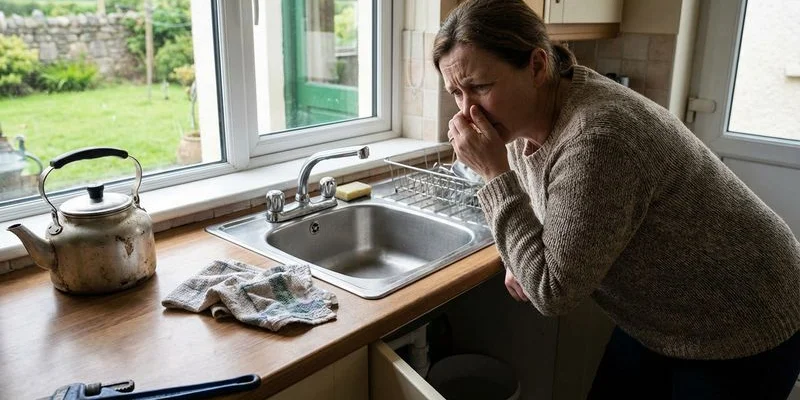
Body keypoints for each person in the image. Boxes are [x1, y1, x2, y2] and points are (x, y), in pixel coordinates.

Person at [433, 0, 800, 398]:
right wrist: (515, 255)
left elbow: (552, 291)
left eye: (480, 87)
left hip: (746, 315)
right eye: (456, 92)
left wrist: (493, 174)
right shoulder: (523, 117)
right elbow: (547, 207)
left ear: (537, 66)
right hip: (663, 317)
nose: (467, 110)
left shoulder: (598, 138)